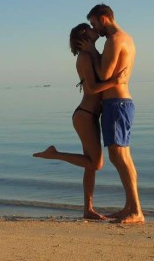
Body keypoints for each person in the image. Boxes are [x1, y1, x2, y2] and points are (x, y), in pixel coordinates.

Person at [33, 23, 127, 220]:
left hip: (91, 115)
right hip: (85, 115)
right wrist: (115, 82)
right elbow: (91, 89)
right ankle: (54, 154)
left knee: (90, 165)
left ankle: (88, 209)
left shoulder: (91, 53)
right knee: (96, 164)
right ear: (84, 34)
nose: (95, 29)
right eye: (90, 28)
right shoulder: (84, 57)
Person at [80, 4, 144, 224]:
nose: (94, 29)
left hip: (116, 104)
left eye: (94, 23)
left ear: (104, 18)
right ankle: (130, 207)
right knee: (123, 157)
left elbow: (104, 75)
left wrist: (92, 51)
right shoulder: (127, 38)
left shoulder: (114, 40)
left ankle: (136, 211)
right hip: (120, 103)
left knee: (119, 157)